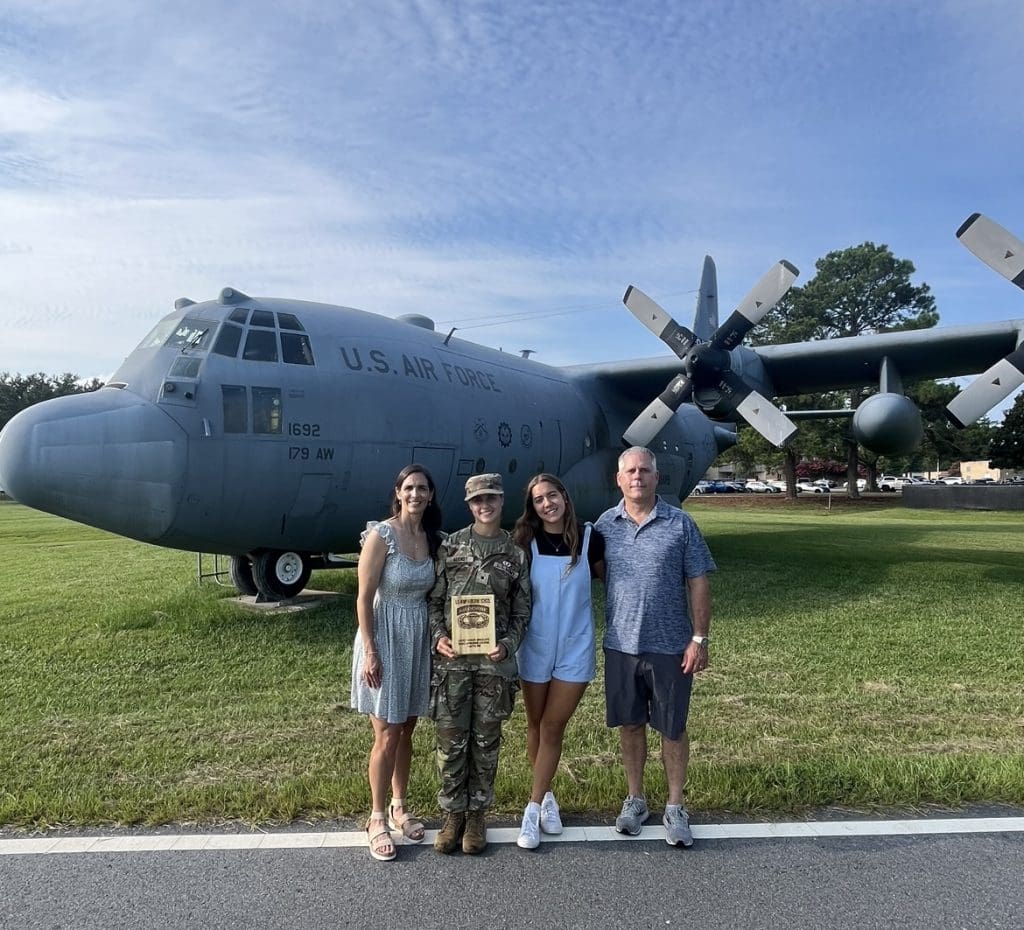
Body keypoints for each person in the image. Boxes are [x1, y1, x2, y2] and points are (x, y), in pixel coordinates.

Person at [595, 446, 716, 847]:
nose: (637, 477)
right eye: (630, 471)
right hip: (621, 645)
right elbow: (593, 572)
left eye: (644, 470)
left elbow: (698, 581)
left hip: (670, 647)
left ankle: (676, 805)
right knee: (630, 725)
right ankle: (635, 800)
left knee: (672, 727)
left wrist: (699, 638)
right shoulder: (604, 525)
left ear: (656, 477)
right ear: (618, 479)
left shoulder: (681, 525)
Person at [428, 473, 531, 855]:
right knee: (452, 742)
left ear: (501, 501)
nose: (483, 505)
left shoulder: (515, 553)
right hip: (452, 665)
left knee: (486, 743)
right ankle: (452, 815)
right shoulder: (451, 547)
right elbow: (434, 601)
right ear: (468, 505)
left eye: (490, 498)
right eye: (476, 500)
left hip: (493, 667)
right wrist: (439, 636)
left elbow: (523, 610)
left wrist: (507, 644)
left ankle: (476, 816)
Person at [350, 464, 443, 861]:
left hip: (417, 638)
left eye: (422, 488)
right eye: (409, 488)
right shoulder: (381, 535)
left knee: (407, 729)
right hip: (384, 637)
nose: (416, 494)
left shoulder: (430, 538)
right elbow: (363, 597)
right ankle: (376, 818)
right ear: (399, 492)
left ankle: (400, 805)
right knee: (386, 732)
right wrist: (371, 650)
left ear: (431, 495)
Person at [511, 473, 605, 850]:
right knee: (534, 725)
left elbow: (613, 580)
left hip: (575, 646)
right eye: (538, 500)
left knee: (552, 726)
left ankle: (531, 811)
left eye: (552, 495)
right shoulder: (525, 541)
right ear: (532, 507)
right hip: (534, 646)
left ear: (565, 496)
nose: (547, 503)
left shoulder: (590, 537)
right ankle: (547, 797)